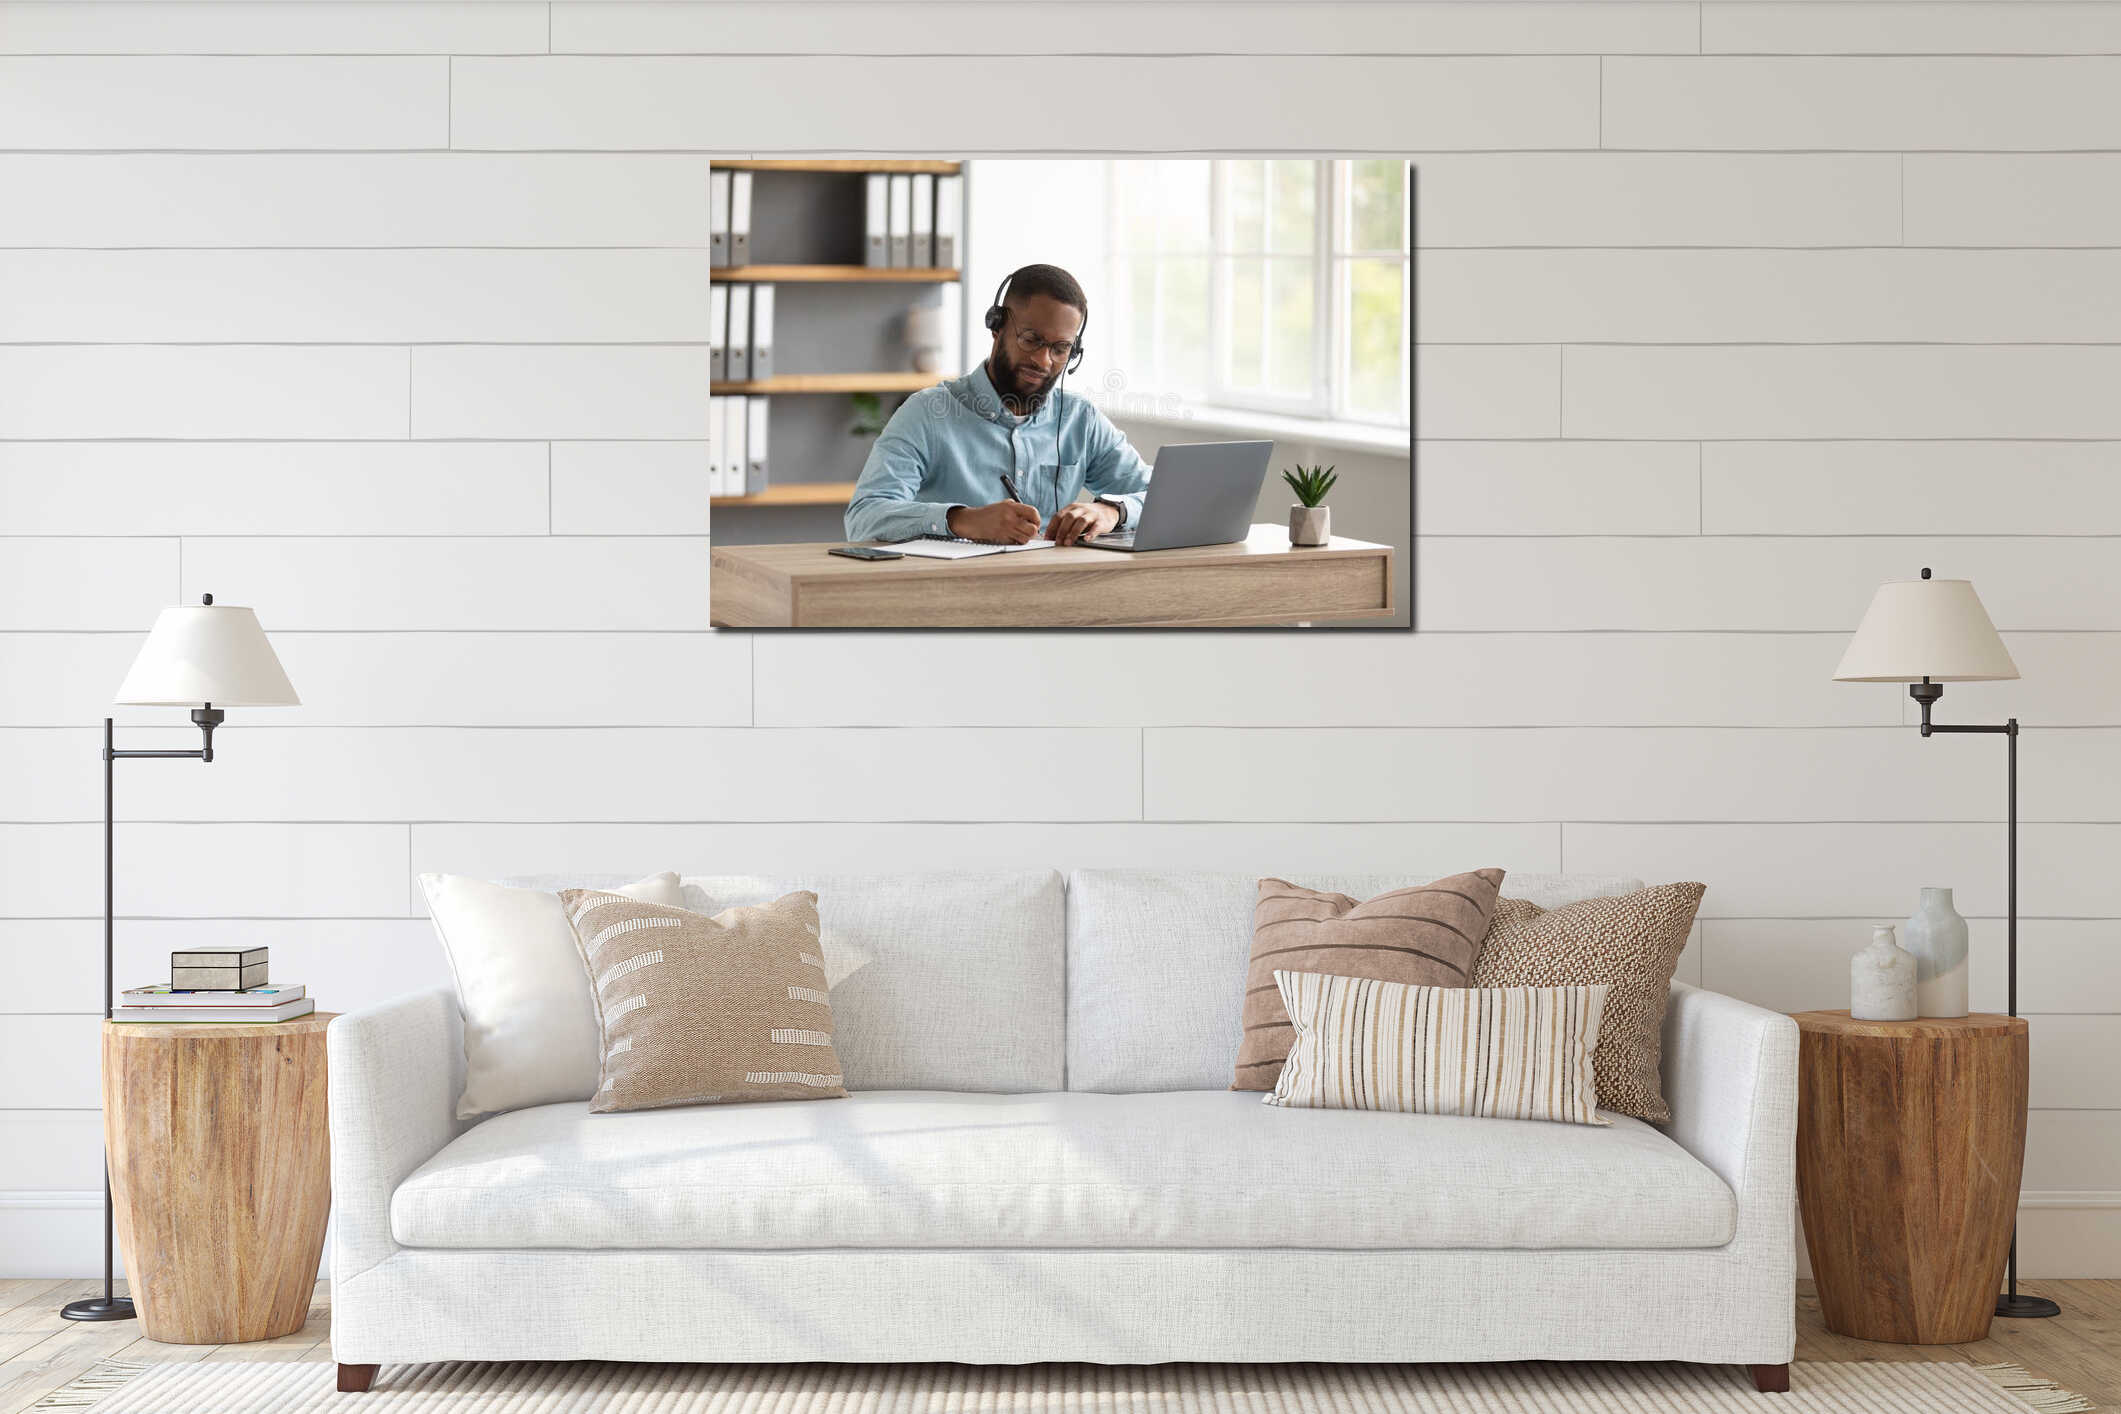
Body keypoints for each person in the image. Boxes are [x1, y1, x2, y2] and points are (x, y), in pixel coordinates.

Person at [844, 264, 1152, 546]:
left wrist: (1113, 512)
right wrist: (961, 520)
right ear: (997, 326)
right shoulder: (926, 413)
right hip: (951, 595)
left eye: (1061, 349)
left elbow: (1161, 494)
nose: (1043, 361)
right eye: (1031, 340)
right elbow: (864, 518)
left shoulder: (1080, 419)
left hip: (1053, 591)